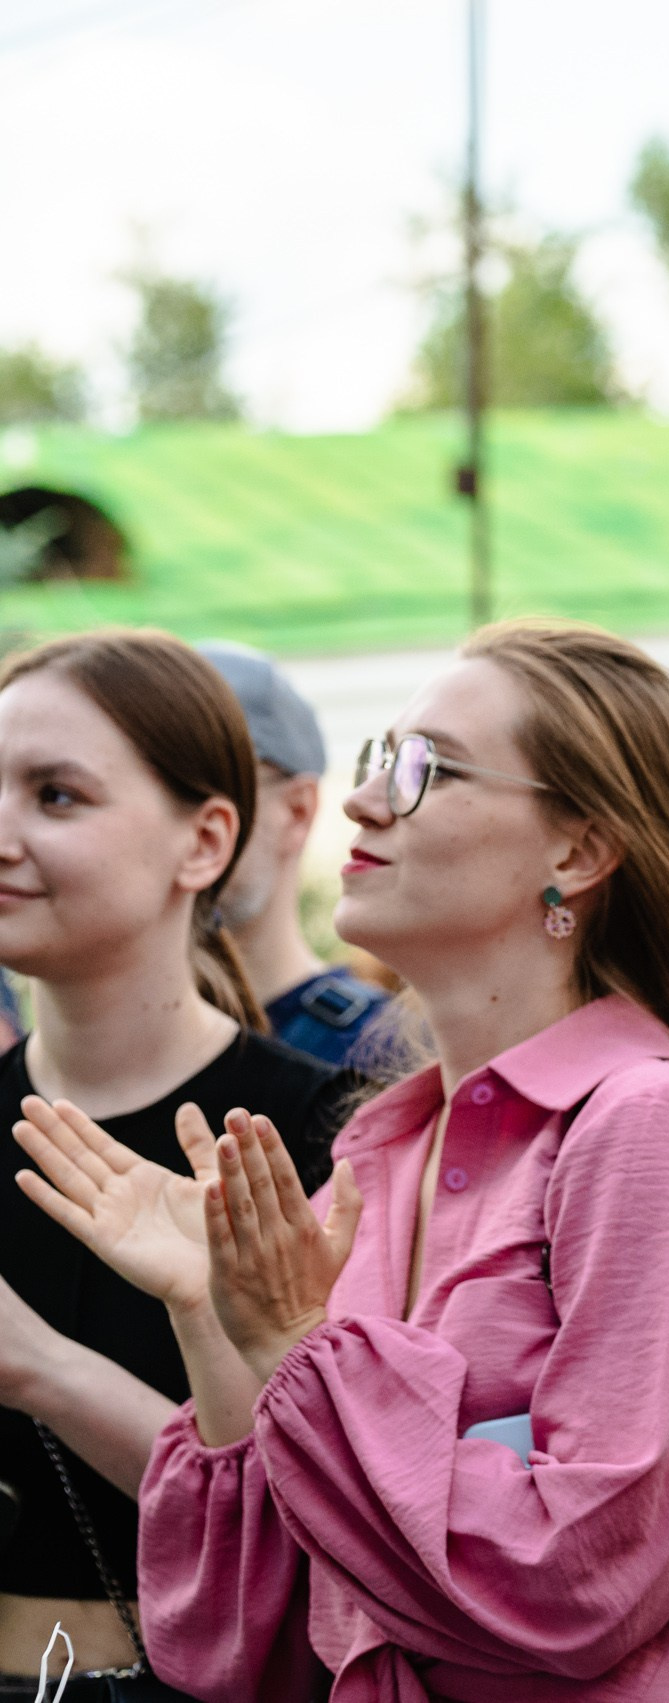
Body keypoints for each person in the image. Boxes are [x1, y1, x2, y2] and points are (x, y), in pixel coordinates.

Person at [20, 620, 669, 1700]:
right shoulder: (382, 1144)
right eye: (374, 760)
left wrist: (298, 1341)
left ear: (577, 852)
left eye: (423, 768)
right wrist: (211, 1316)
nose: (363, 800)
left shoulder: (654, 1125)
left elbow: (575, 1583)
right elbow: (237, 1635)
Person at [0, 631, 349, 1697]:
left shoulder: (316, 1129)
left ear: (204, 842)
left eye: (56, 796)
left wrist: (42, 1369)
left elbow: (318, 1520)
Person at [197, 642, 401, 1071]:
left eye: (204, 788)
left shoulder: (376, 1053)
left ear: (296, 811)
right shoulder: (87, 1047)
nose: (173, 824)